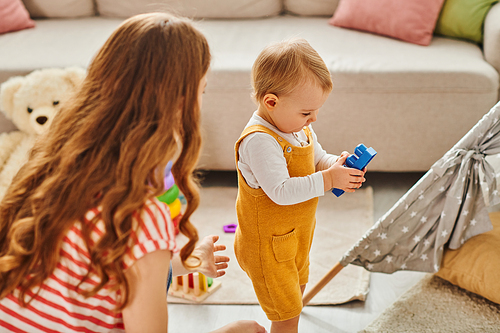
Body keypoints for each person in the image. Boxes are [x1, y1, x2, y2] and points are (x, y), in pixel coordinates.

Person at [0, 13, 266, 333]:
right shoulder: (143, 216)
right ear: (179, 103)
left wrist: (177, 263)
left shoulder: (48, 169)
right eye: (202, 91)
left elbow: (90, 274)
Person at [234, 38, 367, 333]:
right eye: (306, 112)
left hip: (294, 237)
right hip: (267, 247)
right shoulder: (259, 141)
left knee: (298, 290)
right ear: (271, 102)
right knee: (287, 313)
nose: (313, 119)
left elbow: (317, 159)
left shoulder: (297, 127)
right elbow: (280, 191)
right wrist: (328, 180)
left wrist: (337, 166)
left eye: (315, 111)